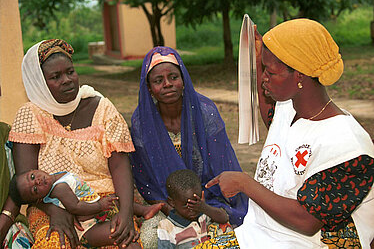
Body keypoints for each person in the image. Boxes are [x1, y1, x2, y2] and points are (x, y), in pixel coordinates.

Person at [198, 19, 374, 248]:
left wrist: (245, 184)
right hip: (266, 229)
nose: (263, 78)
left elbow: (308, 221)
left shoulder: (346, 145)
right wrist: (260, 59)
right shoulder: (289, 107)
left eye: (270, 72)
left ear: (299, 76)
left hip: (311, 241)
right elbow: (273, 121)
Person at [0, 39, 145, 248]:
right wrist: (57, 210)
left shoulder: (101, 107)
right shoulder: (30, 115)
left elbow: (120, 164)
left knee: (127, 242)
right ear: (39, 83)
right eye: (55, 77)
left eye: (70, 72)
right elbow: (28, 184)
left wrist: (125, 212)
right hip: (50, 206)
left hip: (105, 202)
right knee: (54, 243)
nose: (67, 80)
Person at [130, 46, 248, 247]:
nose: (168, 84)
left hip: (209, 201)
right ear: (149, 88)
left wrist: (201, 206)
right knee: (150, 239)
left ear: (183, 79)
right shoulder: (142, 122)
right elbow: (145, 178)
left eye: (173, 77)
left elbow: (222, 165)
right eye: (158, 81)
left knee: (229, 235)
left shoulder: (204, 111)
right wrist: (172, 208)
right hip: (167, 206)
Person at [157, 169, 233, 248]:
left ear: (202, 196)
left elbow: (224, 218)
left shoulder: (202, 214)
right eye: (186, 205)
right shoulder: (167, 227)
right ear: (172, 202)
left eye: (196, 203)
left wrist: (204, 207)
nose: (193, 209)